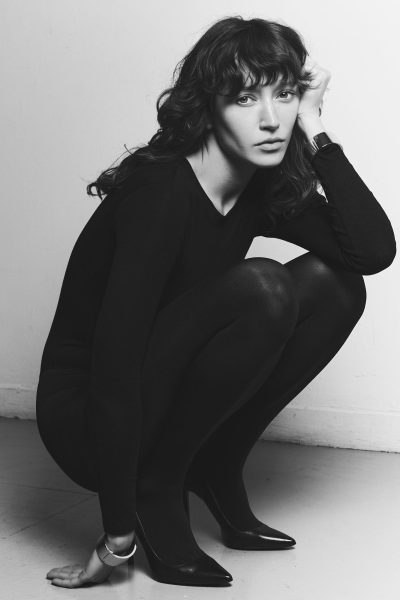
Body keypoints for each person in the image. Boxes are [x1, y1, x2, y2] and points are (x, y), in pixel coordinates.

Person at [36, 15, 396, 589]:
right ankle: (159, 485)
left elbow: (371, 252)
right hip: (88, 419)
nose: (271, 119)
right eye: (246, 98)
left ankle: (215, 462)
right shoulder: (159, 194)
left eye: (284, 95)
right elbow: (114, 364)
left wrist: (316, 127)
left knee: (336, 286)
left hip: (161, 383)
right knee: (262, 285)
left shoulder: (259, 185)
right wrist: (117, 533)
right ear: (209, 105)